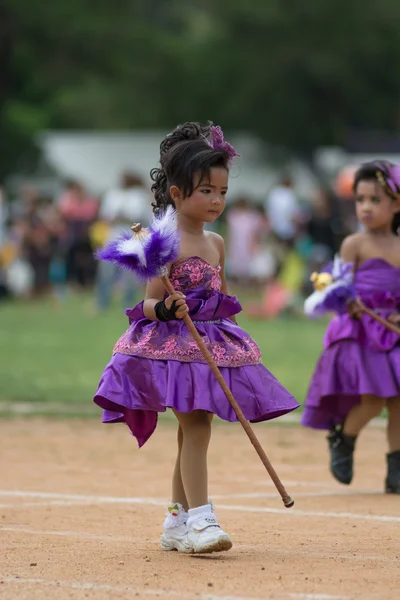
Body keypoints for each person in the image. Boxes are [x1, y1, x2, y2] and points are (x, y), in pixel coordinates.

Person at [93, 122, 299, 554]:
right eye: (206, 191)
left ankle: (176, 522)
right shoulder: (163, 242)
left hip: (211, 346)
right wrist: (168, 307)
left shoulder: (217, 243)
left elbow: (221, 297)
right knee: (198, 426)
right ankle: (203, 520)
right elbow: (147, 306)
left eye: (222, 192)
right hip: (174, 350)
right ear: (177, 193)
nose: (216, 200)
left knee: (193, 432)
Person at [302, 160, 400, 493]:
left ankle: (396, 468)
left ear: (397, 204)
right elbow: (338, 287)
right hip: (363, 331)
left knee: (399, 401)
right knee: (373, 399)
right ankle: (344, 440)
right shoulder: (354, 244)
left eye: (375, 200)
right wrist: (347, 302)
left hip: (394, 331)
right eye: (360, 200)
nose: (366, 207)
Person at [95, 172, 151, 311]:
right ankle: (102, 303)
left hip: (133, 239)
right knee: (105, 272)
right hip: (113, 237)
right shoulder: (113, 194)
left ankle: (127, 304)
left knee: (130, 274)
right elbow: (106, 216)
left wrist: (123, 217)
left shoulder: (139, 195)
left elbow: (138, 217)